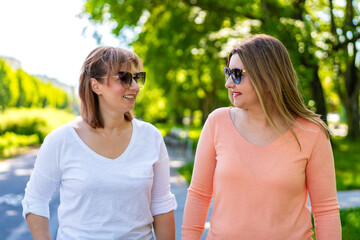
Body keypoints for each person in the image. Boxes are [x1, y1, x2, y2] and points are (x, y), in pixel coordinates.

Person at [181, 34, 341, 239]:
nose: (228, 83)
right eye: (228, 73)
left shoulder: (312, 133)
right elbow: (198, 196)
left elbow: (325, 211)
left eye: (237, 74)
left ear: (268, 78)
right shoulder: (216, 122)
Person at [22, 46, 177, 240]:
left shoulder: (151, 137)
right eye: (124, 78)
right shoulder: (61, 140)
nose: (136, 87)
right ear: (96, 86)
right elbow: (35, 200)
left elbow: (161, 204)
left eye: (137, 78)